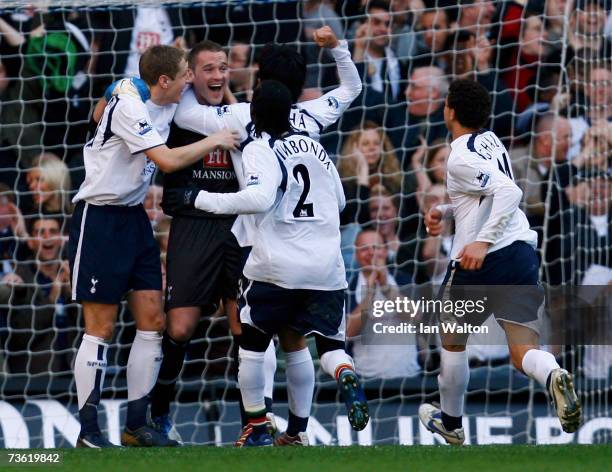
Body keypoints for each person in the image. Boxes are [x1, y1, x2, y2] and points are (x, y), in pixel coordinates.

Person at [164, 80, 369, 447]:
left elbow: (258, 198)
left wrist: (199, 199)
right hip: (326, 268)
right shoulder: (316, 148)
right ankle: (319, 404)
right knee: (328, 347)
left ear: (255, 114)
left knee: (254, 342)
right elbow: (339, 201)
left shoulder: (261, 147)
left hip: (277, 265)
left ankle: (257, 425)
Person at [67, 45, 239, 448]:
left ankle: (136, 425)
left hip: (134, 219)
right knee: (101, 328)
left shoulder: (159, 97)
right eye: (185, 75)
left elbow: (102, 105)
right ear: (165, 81)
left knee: (153, 321)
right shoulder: (130, 104)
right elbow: (164, 161)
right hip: (100, 217)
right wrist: (216, 139)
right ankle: (88, 432)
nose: (191, 81)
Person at [418, 79, 582, 445]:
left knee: (452, 340)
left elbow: (509, 191)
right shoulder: (491, 140)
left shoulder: (459, 156)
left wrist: (480, 242)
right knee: (522, 351)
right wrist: (447, 211)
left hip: (483, 260)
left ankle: (452, 422)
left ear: (450, 110)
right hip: (521, 251)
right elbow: (486, 196)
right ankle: (554, 373)